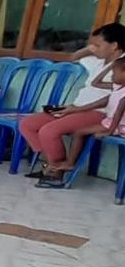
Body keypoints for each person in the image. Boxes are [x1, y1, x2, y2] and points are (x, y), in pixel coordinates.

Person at [20, 23, 125, 175]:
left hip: (97, 112)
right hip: (76, 107)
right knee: (28, 124)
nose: (93, 48)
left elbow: (112, 97)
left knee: (48, 131)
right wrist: (87, 49)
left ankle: (55, 171)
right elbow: (73, 57)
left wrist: (77, 109)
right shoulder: (99, 61)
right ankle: (52, 163)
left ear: (114, 45)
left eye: (98, 45)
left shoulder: (121, 67)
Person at [39, 56, 125, 186]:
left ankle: (70, 163)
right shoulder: (116, 87)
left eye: (115, 72)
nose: (112, 75)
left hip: (118, 124)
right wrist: (110, 66)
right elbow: (96, 83)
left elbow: (118, 114)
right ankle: (69, 163)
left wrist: (109, 131)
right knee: (79, 132)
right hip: (110, 121)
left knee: (79, 132)